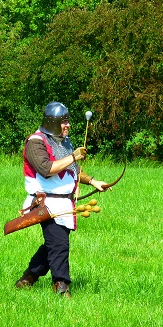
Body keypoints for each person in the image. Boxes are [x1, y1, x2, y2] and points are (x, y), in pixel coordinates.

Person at [14, 102, 108, 297]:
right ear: (52, 122)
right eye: (63, 122)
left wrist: (93, 181)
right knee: (59, 244)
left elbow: (72, 169)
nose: (68, 125)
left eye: (68, 121)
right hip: (45, 202)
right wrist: (73, 157)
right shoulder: (35, 142)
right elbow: (46, 169)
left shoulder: (64, 142)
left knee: (54, 244)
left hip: (64, 203)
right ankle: (61, 286)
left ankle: (28, 278)